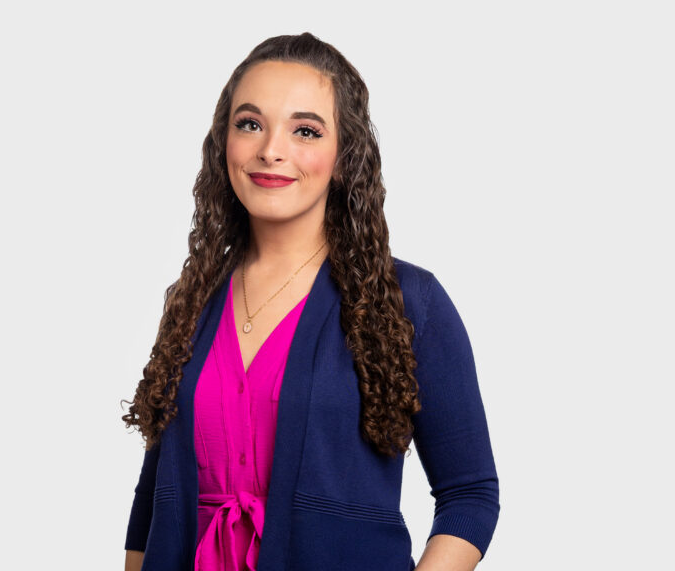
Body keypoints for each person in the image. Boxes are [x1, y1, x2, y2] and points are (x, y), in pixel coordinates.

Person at [121, 32, 500, 571]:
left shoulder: (409, 302)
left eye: (305, 130)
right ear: (222, 144)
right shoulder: (192, 300)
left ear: (344, 157)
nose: (271, 150)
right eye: (249, 124)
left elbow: (470, 494)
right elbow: (150, 501)